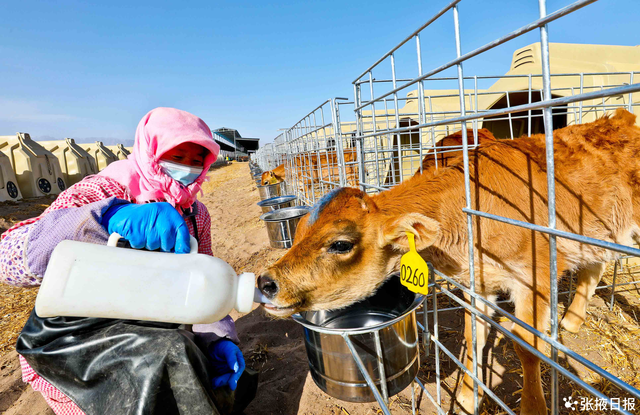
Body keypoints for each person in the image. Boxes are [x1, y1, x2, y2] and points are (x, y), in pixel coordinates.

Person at [0, 107, 254, 415]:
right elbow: (8, 260)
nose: (186, 168)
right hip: (79, 344)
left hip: (154, 334)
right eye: (176, 155)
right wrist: (105, 218)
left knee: (184, 369)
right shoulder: (100, 191)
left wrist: (218, 339)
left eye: (196, 160)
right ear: (150, 152)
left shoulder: (195, 214)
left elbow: (202, 286)